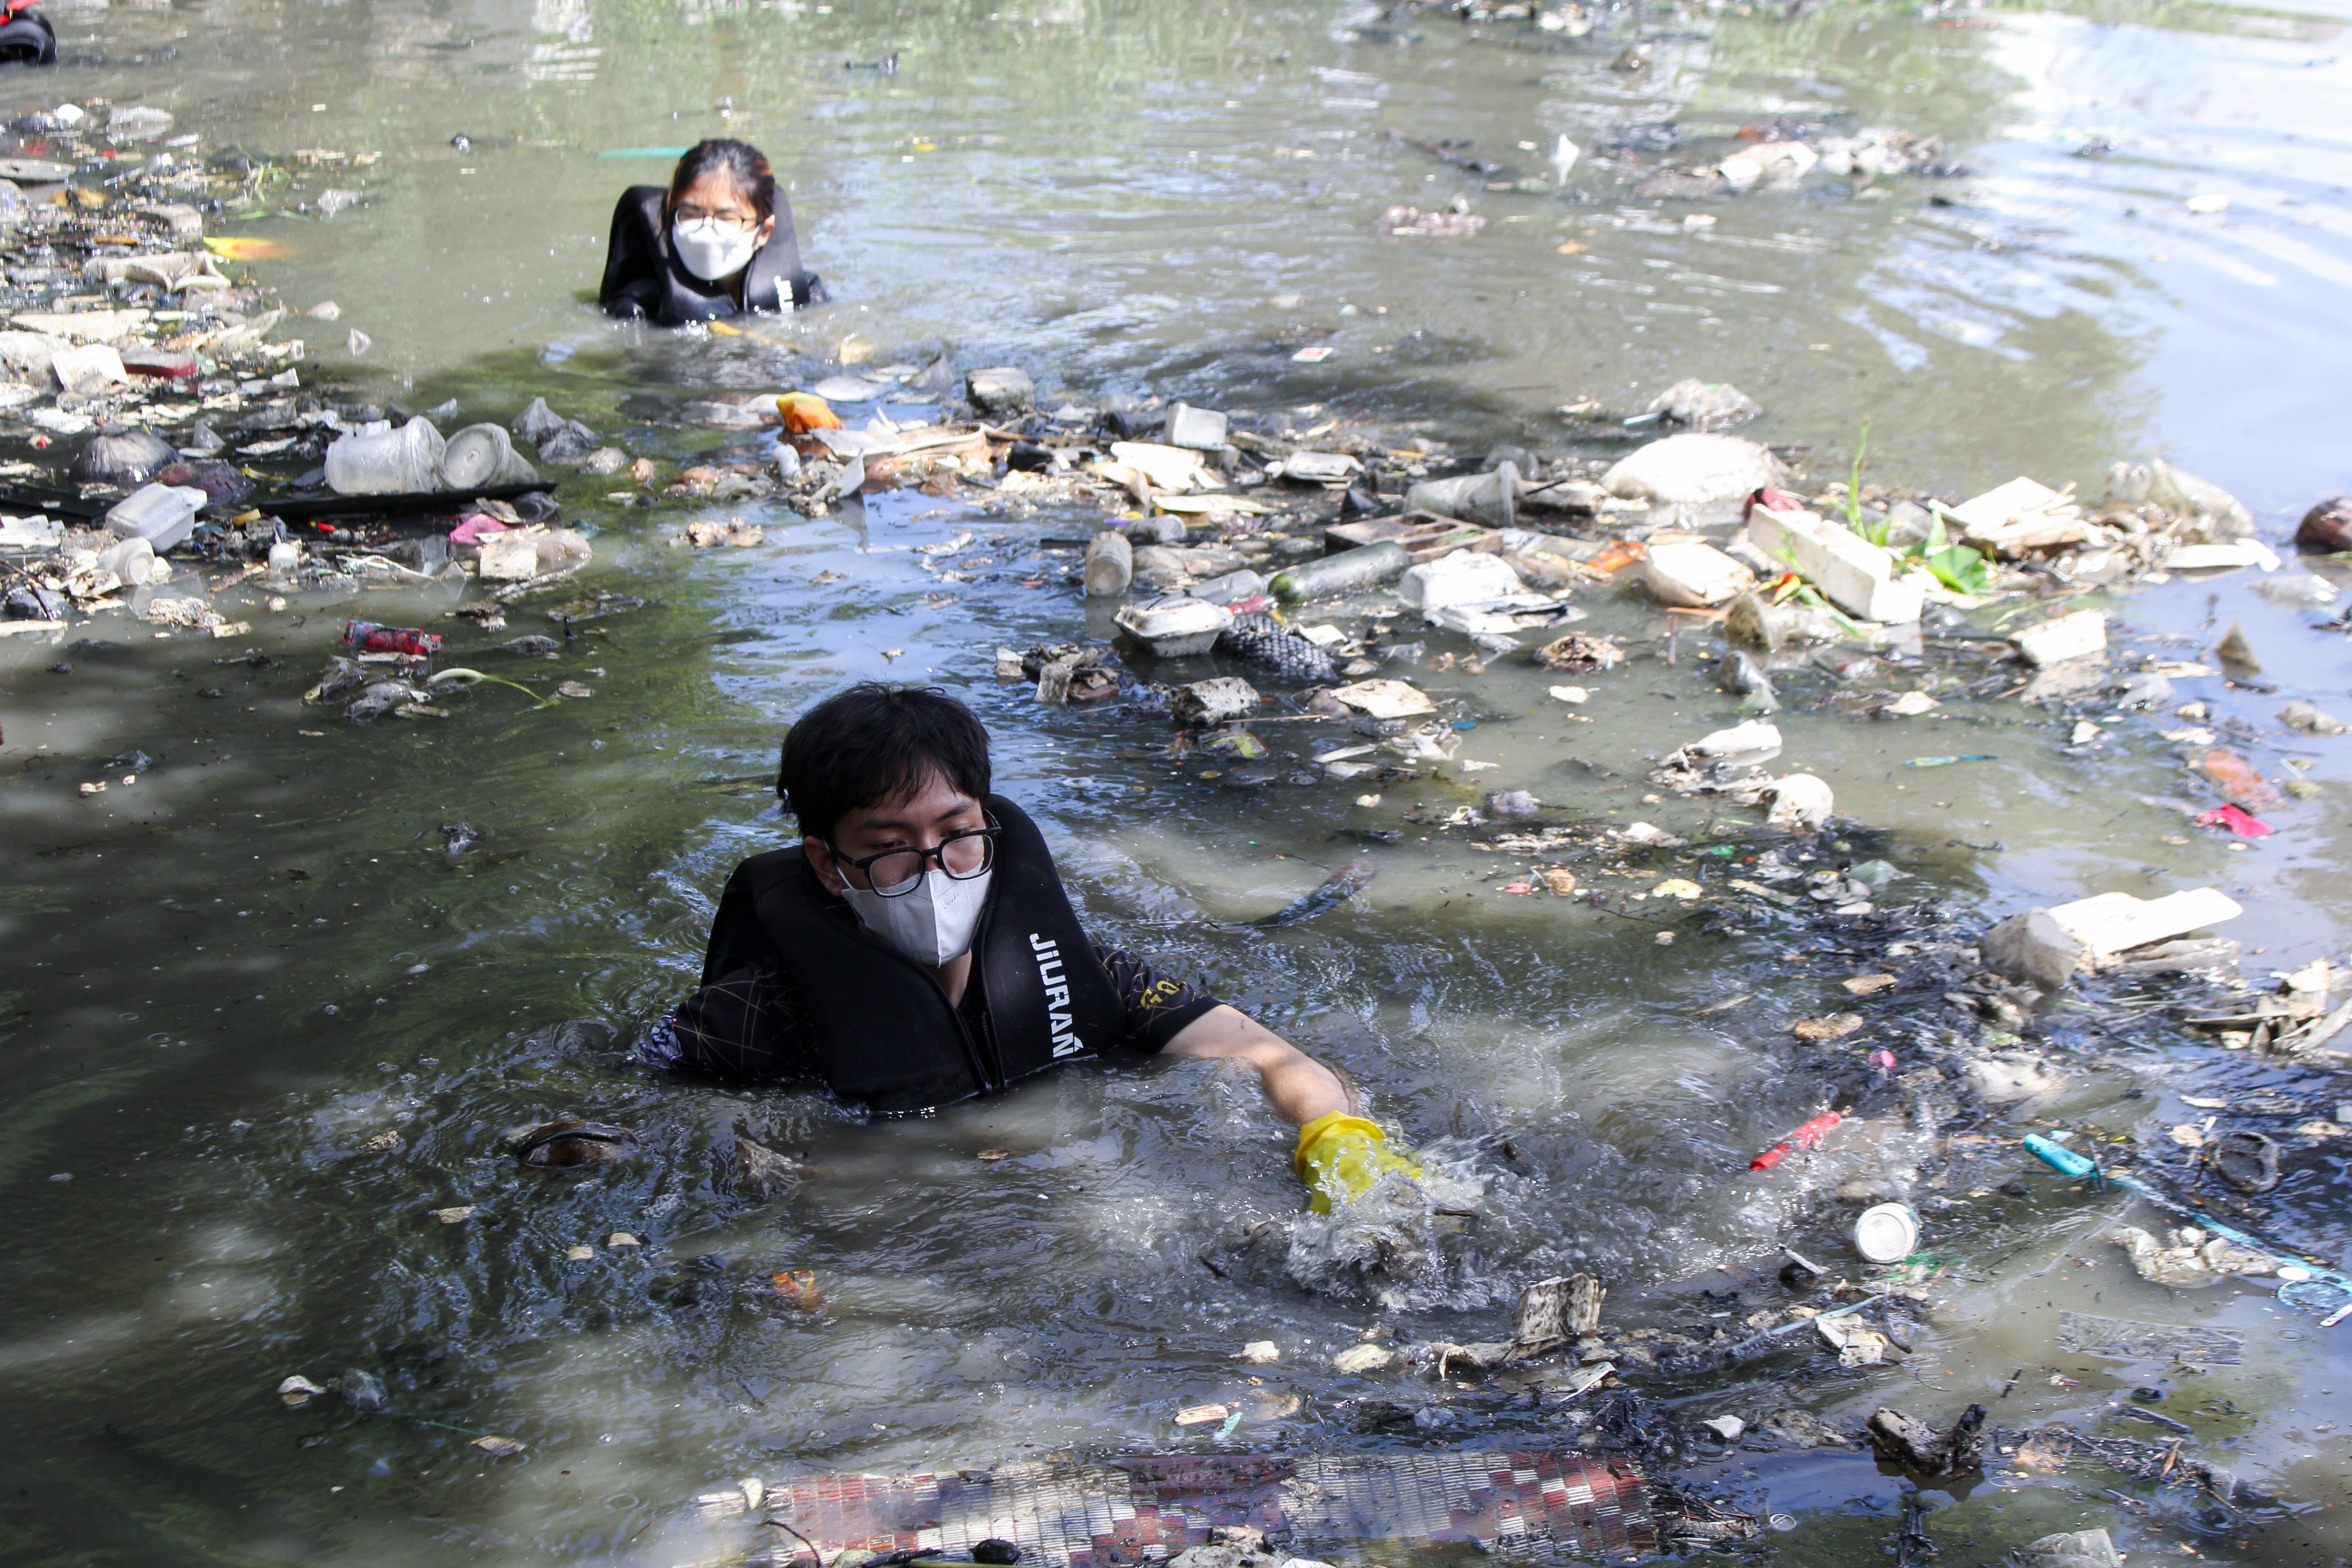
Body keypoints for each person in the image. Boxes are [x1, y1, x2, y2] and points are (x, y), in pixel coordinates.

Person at [642, 683, 1424, 1211]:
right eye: (888, 846)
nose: (934, 870)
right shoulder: (757, 1015)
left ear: (988, 827)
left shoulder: (1078, 975)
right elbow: (632, 1098)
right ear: (826, 864)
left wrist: (1336, 1140)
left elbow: (1269, 1056)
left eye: (956, 836)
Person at [599, 138, 823, 326]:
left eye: (727, 218)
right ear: (669, 218)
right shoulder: (640, 304)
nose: (707, 229)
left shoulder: (807, 290)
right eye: (691, 214)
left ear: (764, 232)